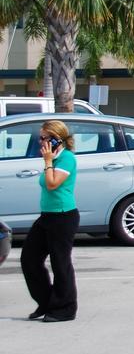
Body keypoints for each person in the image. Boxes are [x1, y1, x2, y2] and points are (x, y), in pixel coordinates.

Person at [21, 120, 78, 322]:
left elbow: (52, 184)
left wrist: (47, 161)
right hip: (47, 216)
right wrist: (48, 160)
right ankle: (46, 302)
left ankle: (65, 308)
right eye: (41, 137)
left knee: (60, 263)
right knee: (29, 259)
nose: (40, 142)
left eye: (44, 138)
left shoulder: (67, 158)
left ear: (56, 139)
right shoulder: (53, 158)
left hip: (63, 216)